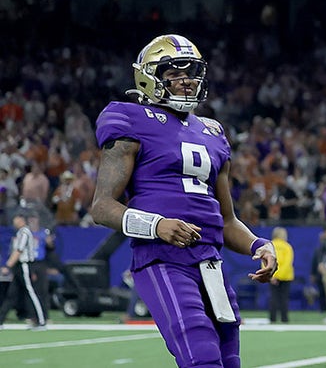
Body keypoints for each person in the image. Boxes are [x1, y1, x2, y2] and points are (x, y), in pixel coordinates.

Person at [89, 34, 278, 367]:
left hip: (210, 262)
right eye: (173, 73)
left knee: (228, 360)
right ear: (149, 77)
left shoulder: (213, 132)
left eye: (191, 72)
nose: (185, 80)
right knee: (201, 356)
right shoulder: (129, 118)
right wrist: (157, 225)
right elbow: (102, 207)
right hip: (162, 258)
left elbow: (227, 220)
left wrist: (258, 245)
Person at [0, 214, 47, 329]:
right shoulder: (19, 232)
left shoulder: (24, 232)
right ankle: (0, 320)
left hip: (25, 265)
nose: (14, 221)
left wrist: (7, 265)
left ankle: (41, 320)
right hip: (19, 266)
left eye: (15, 219)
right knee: (11, 294)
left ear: (21, 220)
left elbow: (19, 250)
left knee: (31, 292)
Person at [269, 227, 295, 324]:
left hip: (271, 276)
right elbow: (288, 263)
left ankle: (272, 319)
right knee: (284, 298)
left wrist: (272, 275)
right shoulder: (287, 247)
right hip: (286, 276)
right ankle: (284, 319)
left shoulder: (269, 245)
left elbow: (265, 261)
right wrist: (280, 275)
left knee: (273, 298)